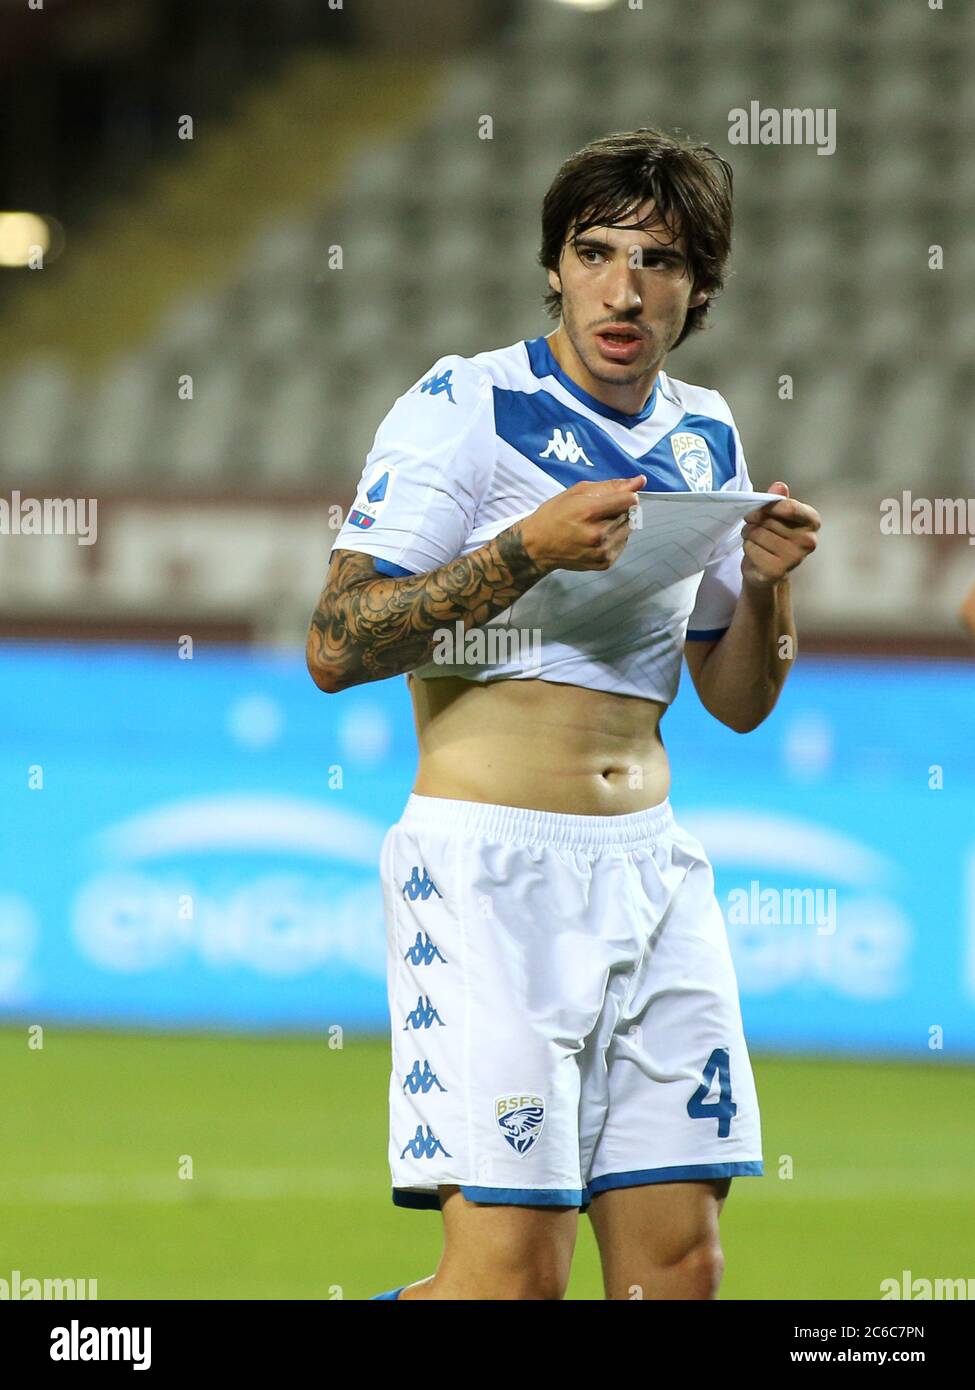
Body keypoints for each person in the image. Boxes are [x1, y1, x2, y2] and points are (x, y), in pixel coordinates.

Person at [306, 128, 821, 1300]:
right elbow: (335, 646)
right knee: (509, 1287)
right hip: (489, 874)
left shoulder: (705, 431)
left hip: (652, 870)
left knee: (679, 1272)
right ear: (554, 266)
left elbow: (735, 703)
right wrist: (523, 552)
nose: (624, 288)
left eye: (660, 260)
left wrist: (774, 577)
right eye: (595, 252)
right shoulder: (464, 404)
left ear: (701, 287)